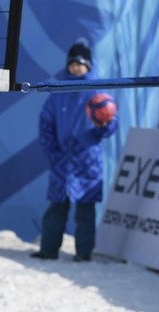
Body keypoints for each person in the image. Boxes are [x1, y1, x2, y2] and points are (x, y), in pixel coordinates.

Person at [31, 38, 118, 262]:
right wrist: (53, 152)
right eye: (72, 64)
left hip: (87, 161)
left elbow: (112, 124)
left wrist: (104, 125)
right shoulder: (59, 91)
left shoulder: (98, 91)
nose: (75, 67)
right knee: (56, 209)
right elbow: (45, 124)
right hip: (62, 160)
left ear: (88, 66)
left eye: (80, 64)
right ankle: (49, 249)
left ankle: (83, 252)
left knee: (85, 211)